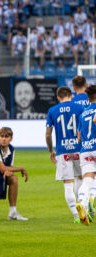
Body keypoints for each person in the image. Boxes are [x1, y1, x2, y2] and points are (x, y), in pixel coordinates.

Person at [45, 86, 84, 223]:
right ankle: (82, 206)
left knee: (68, 184)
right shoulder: (79, 108)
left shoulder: (52, 111)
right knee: (81, 179)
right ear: (71, 95)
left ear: (58, 97)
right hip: (79, 149)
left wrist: (51, 151)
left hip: (63, 151)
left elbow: (48, 135)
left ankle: (76, 215)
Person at [76, 85, 96, 225]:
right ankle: (92, 202)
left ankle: (82, 204)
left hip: (86, 149)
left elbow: (79, 138)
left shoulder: (83, 113)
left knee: (87, 180)